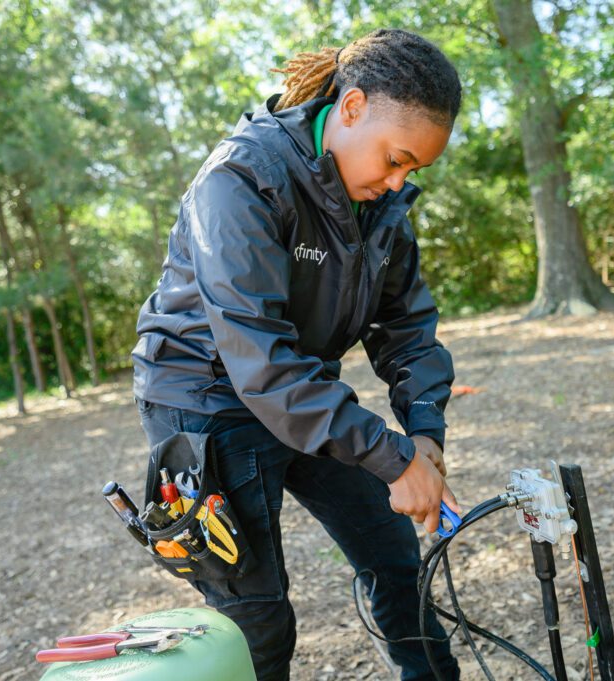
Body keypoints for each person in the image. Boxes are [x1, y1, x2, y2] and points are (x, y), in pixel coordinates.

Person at [131, 28, 463, 681]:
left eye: (413, 170)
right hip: (207, 398)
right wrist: (392, 457)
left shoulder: (379, 205)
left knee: (394, 553)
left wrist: (424, 436)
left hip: (302, 394)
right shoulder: (242, 179)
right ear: (352, 107)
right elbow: (258, 358)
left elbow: (407, 327)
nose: (399, 183)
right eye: (395, 159)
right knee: (257, 619)